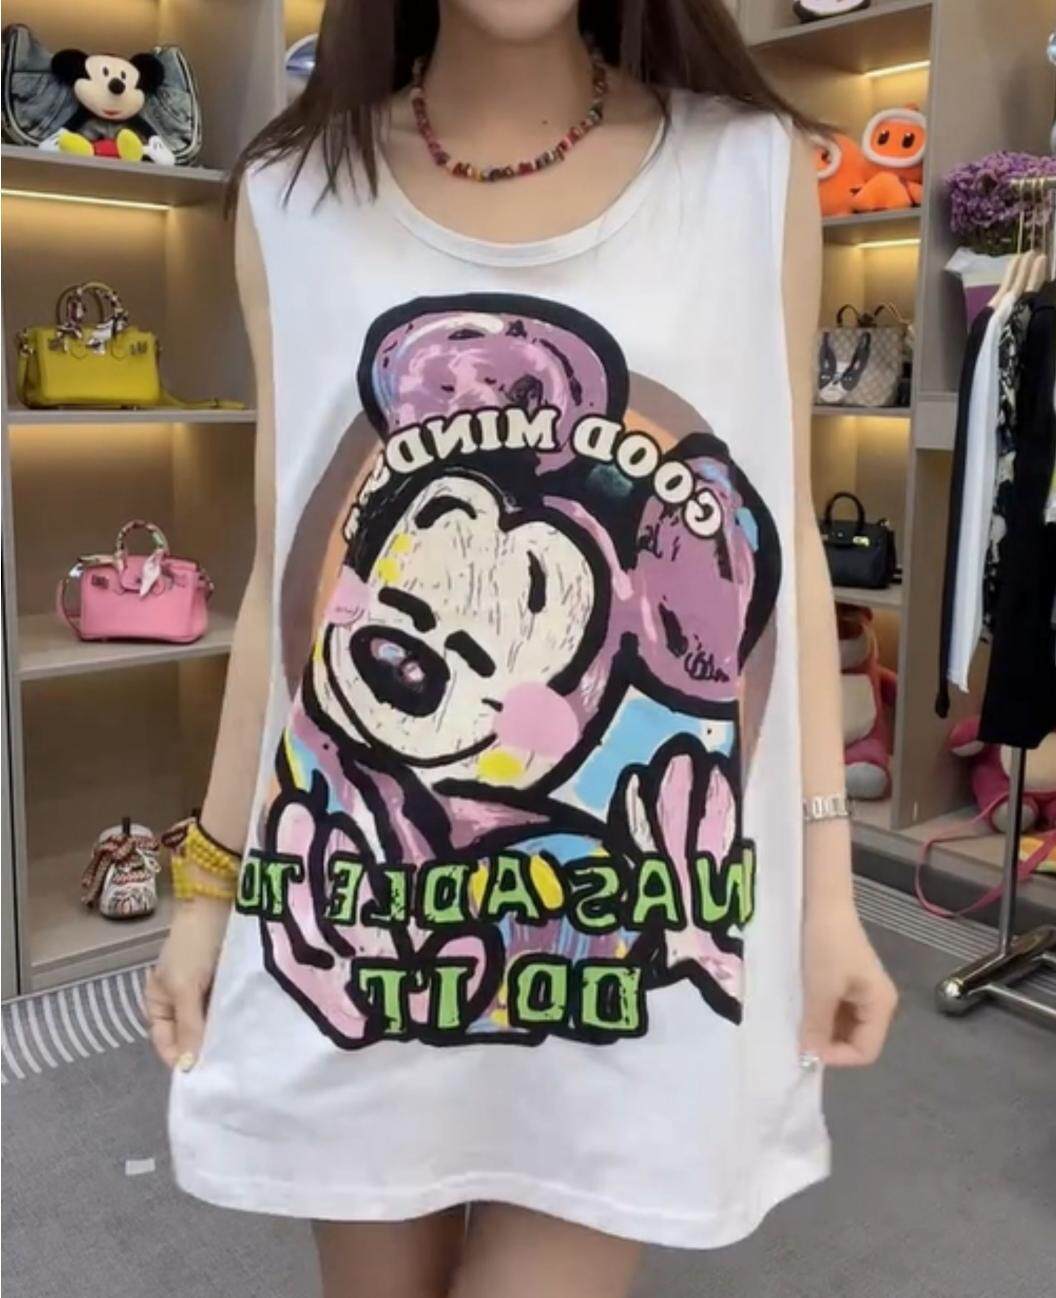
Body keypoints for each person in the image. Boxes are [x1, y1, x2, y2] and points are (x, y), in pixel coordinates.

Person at [147, 3, 899, 1296]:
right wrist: (205, 893)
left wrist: (826, 898)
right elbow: (286, 580)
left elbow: (786, 558)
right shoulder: (290, 194)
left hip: (627, 944)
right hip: (358, 919)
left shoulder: (749, 173)